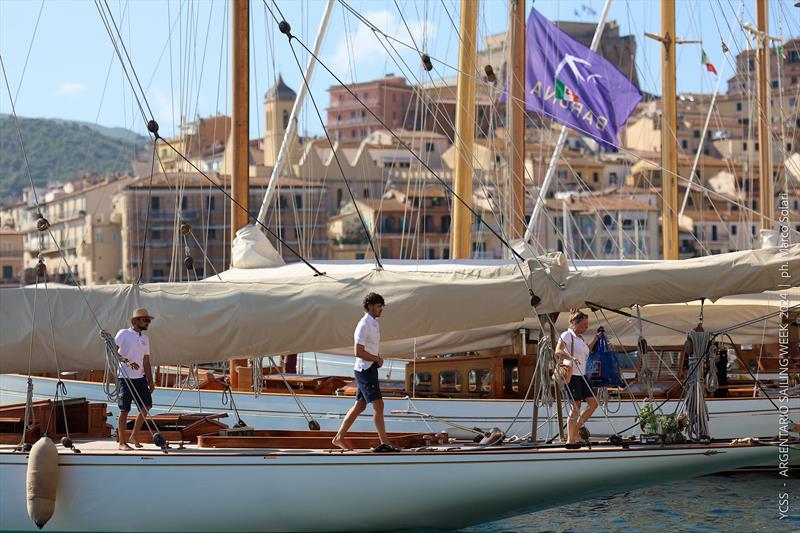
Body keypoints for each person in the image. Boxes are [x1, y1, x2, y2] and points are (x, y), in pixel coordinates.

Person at [332, 293, 397, 452]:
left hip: (369, 368)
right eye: (378, 306)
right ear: (369, 306)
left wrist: (376, 360)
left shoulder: (374, 323)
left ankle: (339, 438)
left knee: (360, 406)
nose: (381, 309)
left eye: (382, 306)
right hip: (365, 370)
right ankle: (385, 442)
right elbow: (358, 352)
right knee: (379, 404)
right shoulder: (363, 325)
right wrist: (376, 359)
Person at [555, 310, 601, 448]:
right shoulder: (567, 335)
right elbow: (558, 351)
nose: (586, 327)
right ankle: (571, 439)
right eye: (584, 325)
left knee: (594, 403)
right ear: (574, 323)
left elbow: (586, 350)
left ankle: (575, 431)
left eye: (587, 325)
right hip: (572, 375)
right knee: (576, 408)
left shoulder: (580, 338)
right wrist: (570, 357)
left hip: (582, 375)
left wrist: (596, 338)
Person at [115, 308, 155, 450]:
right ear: (134, 321)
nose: (148, 323)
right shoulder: (123, 334)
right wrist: (127, 361)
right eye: (145, 320)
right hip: (125, 378)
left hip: (140, 378)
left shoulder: (145, 339)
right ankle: (121, 442)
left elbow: (146, 361)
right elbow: (112, 351)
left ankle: (133, 436)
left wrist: (150, 380)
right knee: (124, 410)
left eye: (148, 321)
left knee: (146, 406)